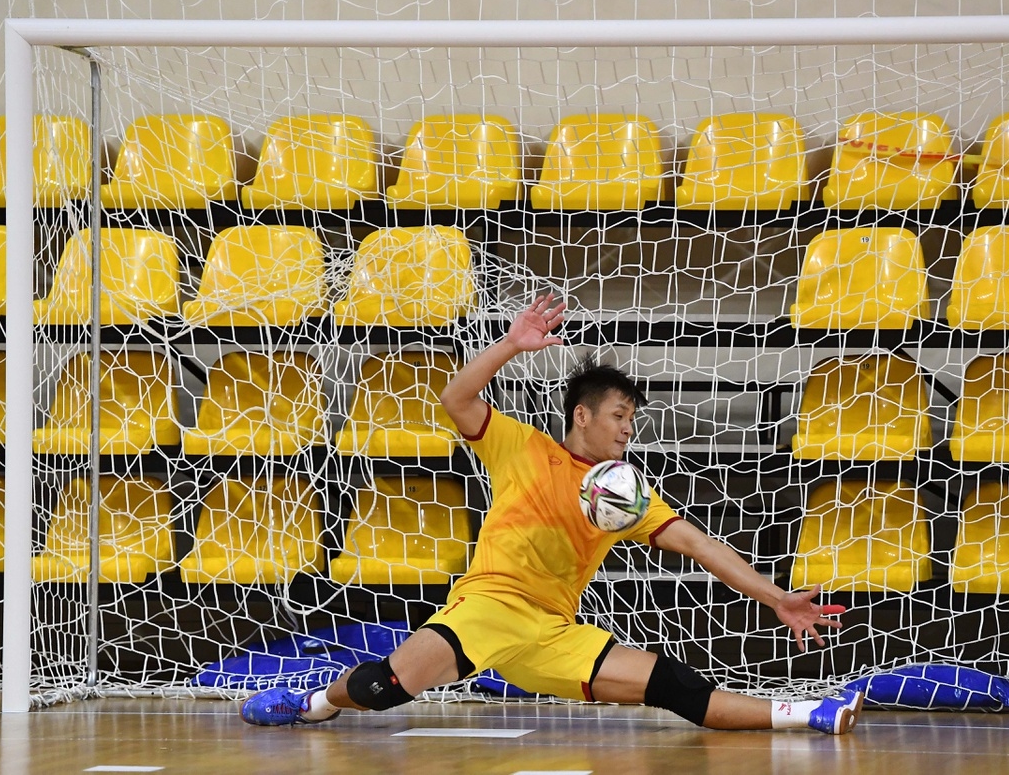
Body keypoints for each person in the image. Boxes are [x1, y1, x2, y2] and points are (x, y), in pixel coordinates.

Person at [240, 294, 863, 734]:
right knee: (382, 689)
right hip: (487, 608)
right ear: (583, 416)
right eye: (620, 416)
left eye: (633, 420)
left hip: (553, 631)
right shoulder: (522, 446)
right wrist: (513, 344)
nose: (628, 429)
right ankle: (314, 703)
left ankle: (811, 715)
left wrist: (775, 597)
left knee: (676, 688)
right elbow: (456, 398)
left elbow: (699, 544)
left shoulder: (623, 491)